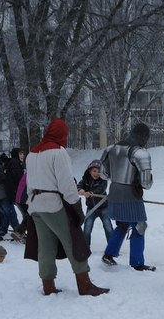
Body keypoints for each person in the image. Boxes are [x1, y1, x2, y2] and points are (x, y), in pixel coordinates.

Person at [24, 118, 109, 297]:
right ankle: (85, 286)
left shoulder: (32, 153)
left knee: (45, 247)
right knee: (74, 242)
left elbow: (29, 182)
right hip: (54, 205)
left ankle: (48, 286)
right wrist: (76, 205)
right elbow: (67, 184)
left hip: (35, 205)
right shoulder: (58, 152)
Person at [100, 123, 155, 271]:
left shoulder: (111, 149)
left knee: (122, 224)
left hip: (114, 191)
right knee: (139, 226)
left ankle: (109, 254)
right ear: (144, 136)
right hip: (131, 193)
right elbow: (146, 184)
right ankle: (137, 263)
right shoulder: (140, 153)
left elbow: (103, 174)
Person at [78, 159, 113, 247]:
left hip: (103, 207)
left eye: (98, 171)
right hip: (91, 208)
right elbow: (79, 186)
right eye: (94, 171)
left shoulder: (103, 180)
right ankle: (85, 247)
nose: (96, 173)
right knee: (87, 228)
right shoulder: (85, 180)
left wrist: (91, 193)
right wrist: (81, 190)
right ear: (89, 171)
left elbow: (101, 189)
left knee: (108, 227)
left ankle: (112, 247)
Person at [0, 153, 19, 235]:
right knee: (11, 212)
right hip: (1, 195)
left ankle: (3, 230)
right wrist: (8, 178)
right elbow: (0, 178)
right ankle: (18, 231)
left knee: (6, 213)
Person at [5, 148, 27, 235]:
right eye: (21, 154)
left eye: (23, 154)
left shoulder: (14, 163)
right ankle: (19, 231)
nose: (23, 156)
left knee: (27, 213)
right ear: (16, 154)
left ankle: (19, 231)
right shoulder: (15, 163)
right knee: (28, 214)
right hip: (18, 193)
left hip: (16, 193)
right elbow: (19, 179)